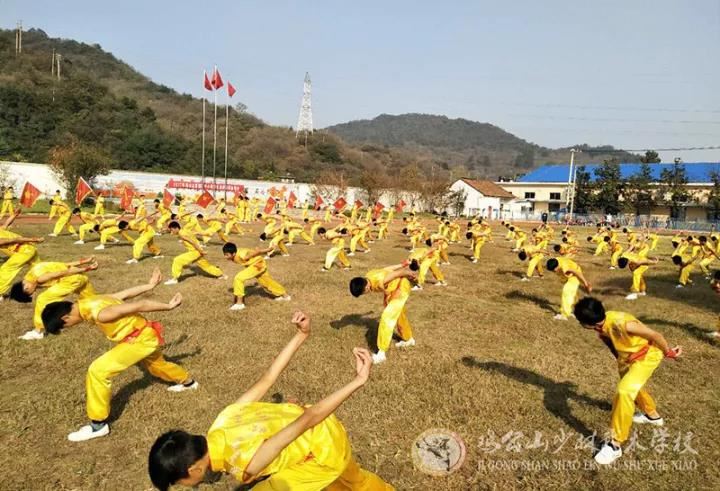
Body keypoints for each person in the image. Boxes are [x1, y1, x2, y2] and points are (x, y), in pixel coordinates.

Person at [148, 311, 393, 491]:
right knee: (353, 482)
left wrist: (358, 381)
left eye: (180, 483)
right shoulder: (222, 420)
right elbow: (268, 378)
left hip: (321, 450)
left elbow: (309, 419)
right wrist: (302, 335)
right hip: (324, 432)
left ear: (194, 470)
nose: (187, 487)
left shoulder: (246, 465)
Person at [40, 267, 198, 442]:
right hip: (145, 334)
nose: (69, 327)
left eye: (65, 327)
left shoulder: (100, 313)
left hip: (139, 340)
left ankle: (98, 425)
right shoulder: (90, 301)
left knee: (98, 371)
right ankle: (188, 383)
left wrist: (168, 306)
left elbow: (140, 304)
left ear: (65, 319)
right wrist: (149, 285)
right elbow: (122, 295)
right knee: (157, 366)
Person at [573, 297, 682, 465]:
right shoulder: (601, 324)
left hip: (646, 356)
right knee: (632, 387)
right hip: (626, 359)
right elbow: (612, 343)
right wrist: (620, 360)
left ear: (586, 323)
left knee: (624, 391)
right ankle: (652, 416)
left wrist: (668, 352)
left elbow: (655, 334)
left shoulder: (622, 323)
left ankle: (615, 444)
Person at [10, 257, 97, 340]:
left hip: (72, 280)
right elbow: (64, 265)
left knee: (42, 299)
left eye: (30, 293)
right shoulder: (34, 270)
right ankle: (100, 315)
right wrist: (84, 261)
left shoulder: (39, 278)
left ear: (26, 288)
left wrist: (87, 268)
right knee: (92, 301)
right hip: (82, 277)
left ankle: (38, 331)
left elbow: (59, 273)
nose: (34, 292)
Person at [349, 263, 417, 364]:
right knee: (398, 314)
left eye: (363, 293)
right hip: (392, 289)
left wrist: (409, 273)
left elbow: (395, 274)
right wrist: (403, 263)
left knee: (387, 318)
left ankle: (381, 353)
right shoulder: (370, 275)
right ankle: (408, 339)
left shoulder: (376, 282)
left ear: (366, 288)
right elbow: (387, 269)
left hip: (400, 288)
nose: (366, 293)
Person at [222, 242, 290, 311]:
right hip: (257, 263)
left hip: (257, 264)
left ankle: (239, 304)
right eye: (224, 254)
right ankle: (285, 296)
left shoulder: (242, 254)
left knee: (238, 278)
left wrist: (269, 249)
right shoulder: (234, 252)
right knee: (266, 282)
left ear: (233, 254)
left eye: (227, 255)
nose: (225, 257)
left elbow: (257, 252)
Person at [164, 221, 225, 285]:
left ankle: (175, 279)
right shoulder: (185, 230)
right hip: (197, 250)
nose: (171, 232)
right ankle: (221, 274)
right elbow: (194, 234)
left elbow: (193, 242)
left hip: (195, 252)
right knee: (205, 266)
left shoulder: (182, 234)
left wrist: (201, 251)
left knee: (177, 260)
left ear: (176, 228)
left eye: (172, 230)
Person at [0, 211, 43, 297]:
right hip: (29, 248)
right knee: (39, 268)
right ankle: (54, 280)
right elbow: (7, 223)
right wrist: (14, 215)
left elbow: (13, 240)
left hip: (24, 251)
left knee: (7, 269)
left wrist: (33, 240)